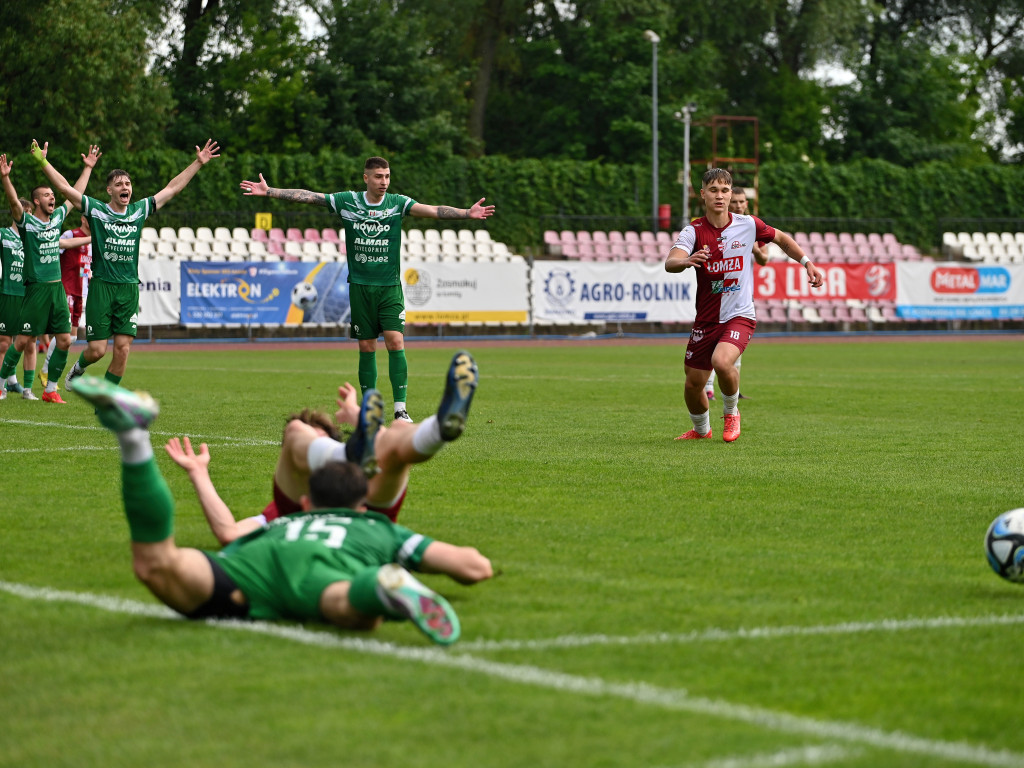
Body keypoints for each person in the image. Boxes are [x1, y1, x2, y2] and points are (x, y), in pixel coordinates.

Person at [69, 373, 493, 646]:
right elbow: (473, 567)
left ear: (307, 501)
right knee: (348, 605)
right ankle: (433, 433)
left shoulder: (283, 518)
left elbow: (230, 535)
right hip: (356, 530)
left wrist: (200, 476)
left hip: (257, 567)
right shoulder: (378, 529)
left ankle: (133, 437)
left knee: (156, 565)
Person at [239, 158, 495, 423]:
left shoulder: (398, 204)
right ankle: (370, 408)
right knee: (366, 345)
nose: (383, 182)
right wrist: (270, 191)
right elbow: (310, 197)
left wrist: (466, 213)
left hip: (390, 287)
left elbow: (432, 210)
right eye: (378, 177)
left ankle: (400, 409)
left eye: (387, 176)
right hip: (361, 287)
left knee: (396, 340)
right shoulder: (348, 201)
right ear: (366, 178)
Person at [166, 350, 479, 546]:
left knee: (392, 433)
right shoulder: (279, 513)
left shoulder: (289, 507)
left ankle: (440, 427)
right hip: (359, 526)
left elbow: (473, 567)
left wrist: (358, 417)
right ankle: (434, 431)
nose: (311, 442)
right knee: (390, 434)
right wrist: (198, 472)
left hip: (361, 518)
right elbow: (229, 534)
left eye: (322, 439)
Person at [36, 138, 221, 393]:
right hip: (102, 287)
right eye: (119, 184)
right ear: (109, 190)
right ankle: (78, 368)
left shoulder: (138, 210)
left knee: (122, 349)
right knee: (97, 350)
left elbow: (172, 189)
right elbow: (66, 189)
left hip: (128, 288)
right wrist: (43, 161)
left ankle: (110, 400)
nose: (125, 187)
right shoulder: (97, 210)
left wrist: (197, 163)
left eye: (128, 183)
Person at [665, 168, 824, 442]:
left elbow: (782, 239)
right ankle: (701, 431)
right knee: (693, 386)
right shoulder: (693, 231)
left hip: (740, 315)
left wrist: (807, 263)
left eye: (725, 190)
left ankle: (731, 413)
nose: (720, 196)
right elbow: (671, 262)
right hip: (705, 320)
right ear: (702, 194)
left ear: (731, 194)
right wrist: (686, 261)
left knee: (722, 362)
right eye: (713, 190)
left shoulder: (748, 224)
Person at [0, 147, 101, 403]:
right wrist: (5, 178)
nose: (52, 197)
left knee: (65, 340)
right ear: (36, 201)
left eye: (52, 194)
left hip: (57, 289)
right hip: (36, 289)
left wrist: (88, 167)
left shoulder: (57, 219)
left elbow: (74, 193)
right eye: (46, 194)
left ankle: (50, 389)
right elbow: (13, 203)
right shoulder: (27, 223)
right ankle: (1, 385)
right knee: (22, 341)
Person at [704, 186, 768, 402]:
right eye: (735, 202)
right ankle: (708, 387)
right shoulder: (716, 226)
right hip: (718, 293)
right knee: (715, 346)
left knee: (735, 348)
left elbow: (764, 260)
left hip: (741, 295)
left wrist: (755, 248)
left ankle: (734, 389)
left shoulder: (751, 227)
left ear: (746, 204)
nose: (739, 205)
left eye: (742, 202)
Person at [41, 216, 92, 388]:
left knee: (72, 337)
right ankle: (46, 370)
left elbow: (86, 264)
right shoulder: (71, 234)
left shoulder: (93, 242)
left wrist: (89, 274)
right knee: (64, 334)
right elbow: (55, 248)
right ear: (83, 219)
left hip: (80, 292)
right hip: (66, 289)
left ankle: (49, 370)